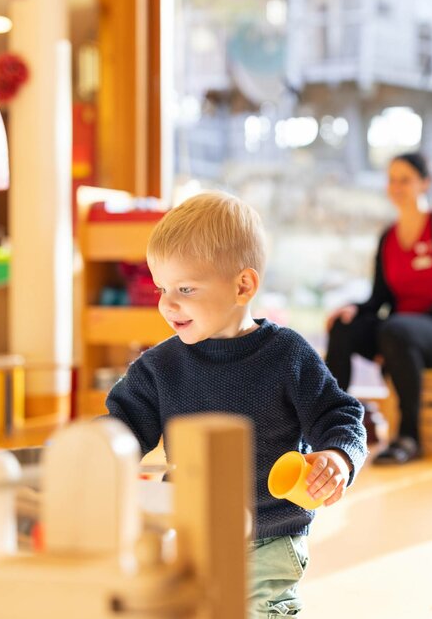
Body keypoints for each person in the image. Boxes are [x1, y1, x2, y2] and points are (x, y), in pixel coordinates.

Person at [105, 191, 367, 618]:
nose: (167, 304)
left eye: (185, 288)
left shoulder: (287, 354)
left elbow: (338, 414)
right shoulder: (159, 366)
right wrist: (95, 454)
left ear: (243, 285)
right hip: (188, 533)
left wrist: (338, 456)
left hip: (270, 538)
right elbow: (121, 426)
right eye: (161, 288)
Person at [325, 152, 432, 465]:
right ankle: (329, 428)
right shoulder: (388, 238)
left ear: (425, 183)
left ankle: (409, 437)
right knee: (344, 326)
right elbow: (378, 299)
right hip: (397, 333)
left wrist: (394, 334)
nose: (396, 186)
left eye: (405, 179)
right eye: (392, 179)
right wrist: (354, 309)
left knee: (397, 330)